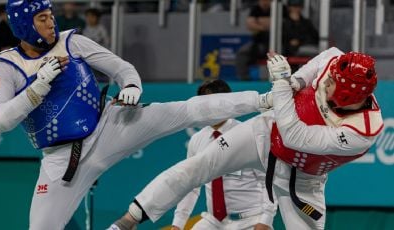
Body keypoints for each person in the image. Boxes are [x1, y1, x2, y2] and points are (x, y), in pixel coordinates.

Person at [0, 1, 273, 229]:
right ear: (25, 24)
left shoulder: (72, 43)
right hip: (63, 160)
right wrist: (38, 85)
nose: (51, 22)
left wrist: (132, 86)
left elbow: (122, 69)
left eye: (51, 15)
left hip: (112, 122)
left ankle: (263, 100)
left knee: (185, 110)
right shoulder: (7, 66)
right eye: (42, 18)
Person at [110, 47, 383, 230]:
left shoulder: (361, 132)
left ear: (348, 96)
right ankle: (128, 219)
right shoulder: (337, 63)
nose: (326, 81)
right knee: (198, 165)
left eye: (333, 82)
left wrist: (279, 84)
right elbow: (324, 60)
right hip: (264, 132)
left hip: (301, 179)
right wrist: (296, 82)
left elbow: (294, 135)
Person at [170, 80, 277, 230]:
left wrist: (266, 220)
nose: (207, 109)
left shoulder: (248, 135)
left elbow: (269, 180)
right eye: (203, 104)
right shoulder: (197, 140)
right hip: (213, 221)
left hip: (251, 220)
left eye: (212, 103)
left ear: (228, 102)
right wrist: (178, 224)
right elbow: (191, 185)